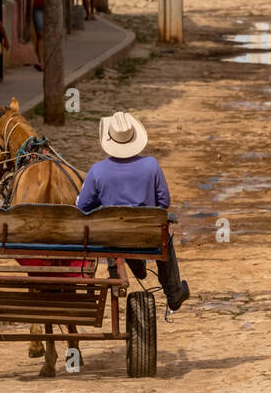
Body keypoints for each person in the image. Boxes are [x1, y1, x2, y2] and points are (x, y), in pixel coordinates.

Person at [75, 111, 191, 312]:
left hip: (112, 239)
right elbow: (164, 202)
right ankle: (173, 293)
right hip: (147, 236)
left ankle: (125, 271)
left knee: (115, 232)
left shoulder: (97, 170)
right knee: (165, 236)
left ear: (110, 139)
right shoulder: (151, 165)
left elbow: (82, 207)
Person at [28, 0, 46, 72]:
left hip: (50, 9)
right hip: (38, 8)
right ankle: (41, 61)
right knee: (40, 34)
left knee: (47, 36)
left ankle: (46, 60)